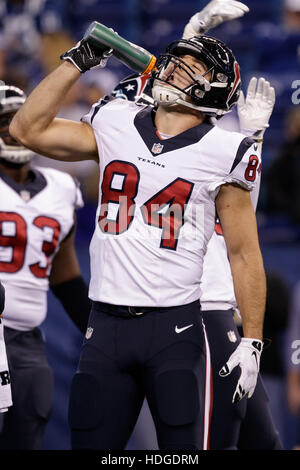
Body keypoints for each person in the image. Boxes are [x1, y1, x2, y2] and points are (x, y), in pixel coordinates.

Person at [10, 25, 266, 450]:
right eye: (177, 59)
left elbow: (243, 252)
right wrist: (78, 61)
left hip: (176, 326)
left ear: (215, 87)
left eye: (192, 66)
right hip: (105, 324)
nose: (175, 67)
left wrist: (253, 337)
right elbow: (27, 130)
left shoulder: (228, 150)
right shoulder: (115, 119)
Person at [0, 84, 91, 449]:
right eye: (4, 122)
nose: (12, 130)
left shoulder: (62, 187)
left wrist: (97, 331)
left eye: (19, 121)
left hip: (28, 340)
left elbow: (65, 276)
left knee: (29, 429)